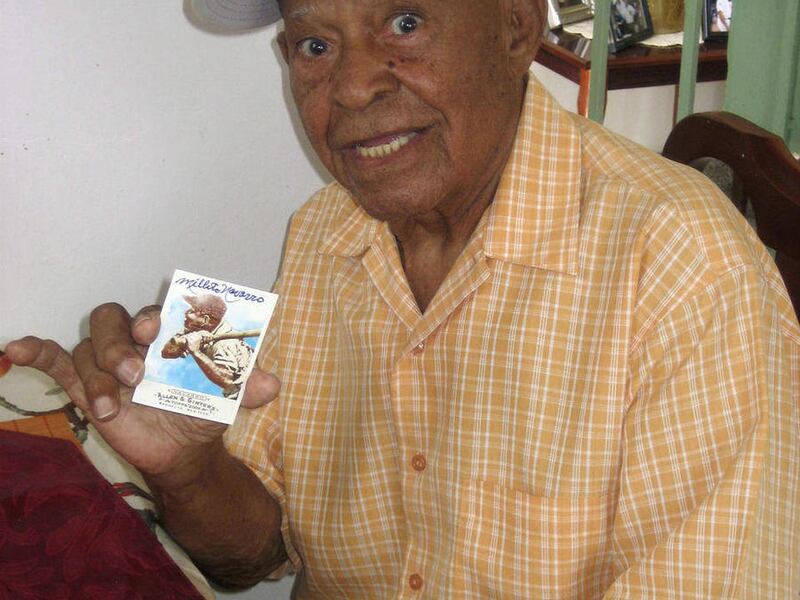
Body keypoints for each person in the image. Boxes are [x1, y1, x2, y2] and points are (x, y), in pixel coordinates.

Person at [5, 0, 799, 597]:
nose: (349, 87)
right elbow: (255, 555)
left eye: (406, 22)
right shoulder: (322, 232)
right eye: (315, 45)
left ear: (517, 28)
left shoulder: (685, 263)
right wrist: (189, 464)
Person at [162, 294, 254, 399]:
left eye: (192, 311)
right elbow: (165, 353)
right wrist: (181, 342)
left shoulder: (225, 344)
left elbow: (228, 381)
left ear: (205, 319)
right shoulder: (196, 328)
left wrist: (196, 352)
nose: (186, 313)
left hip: (244, 393)